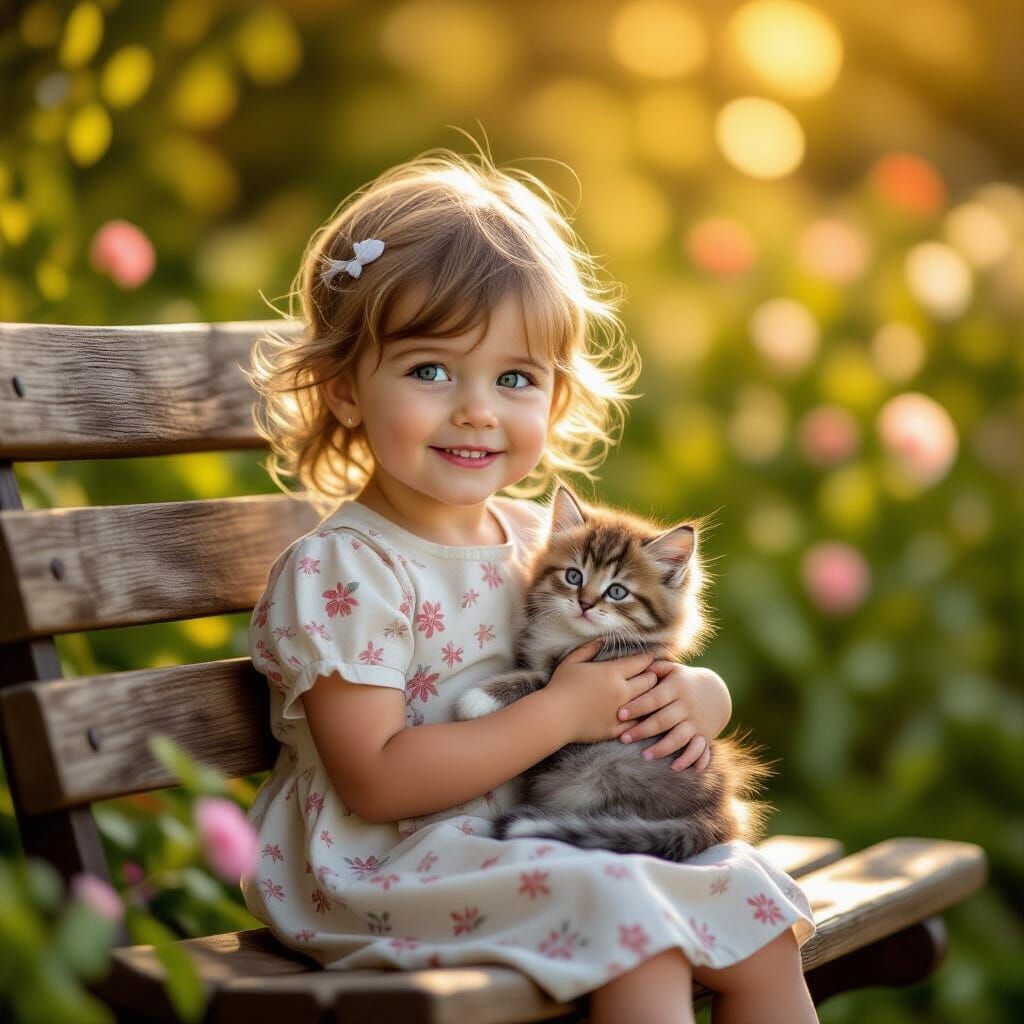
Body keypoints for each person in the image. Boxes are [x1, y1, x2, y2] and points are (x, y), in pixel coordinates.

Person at [241, 145, 818, 1024]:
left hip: (531, 834)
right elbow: (378, 783)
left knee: (752, 908)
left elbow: (620, 668)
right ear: (346, 389)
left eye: (514, 378)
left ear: (552, 399)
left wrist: (693, 698)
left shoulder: (539, 543)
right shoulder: (345, 569)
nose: (476, 407)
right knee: (635, 932)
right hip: (387, 863)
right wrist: (558, 714)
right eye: (431, 370)